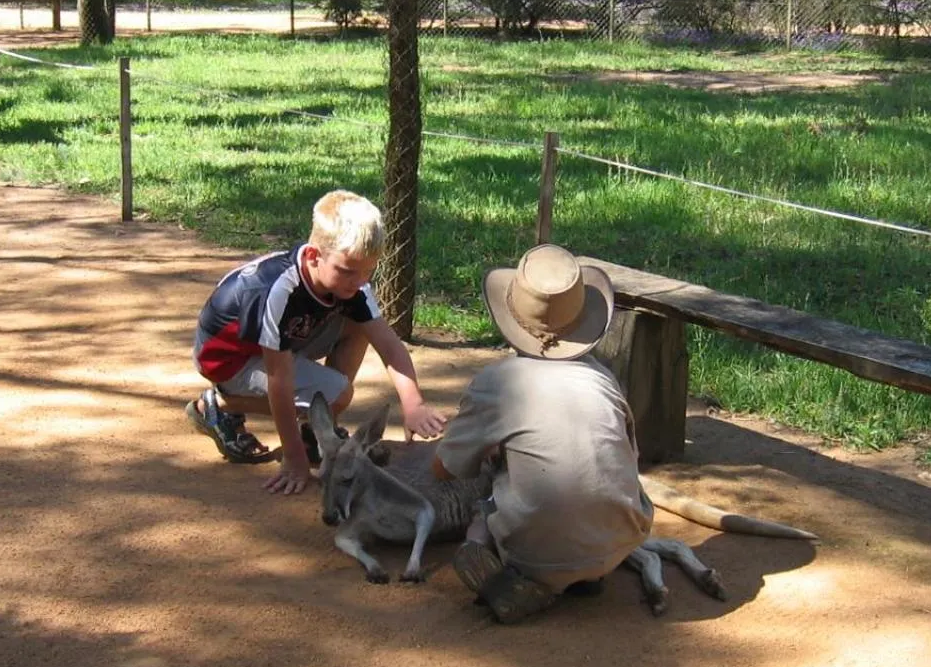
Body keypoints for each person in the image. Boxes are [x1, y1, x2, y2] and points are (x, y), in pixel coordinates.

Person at [432, 243, 655, 623]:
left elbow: (444, 470)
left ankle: (491, 556)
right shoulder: (603, 378)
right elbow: (630, 458)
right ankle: (586, 572)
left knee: (488, 489)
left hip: (533, 551)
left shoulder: (497, 383)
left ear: (512, 315)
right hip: (621, 539)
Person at [187, 189, 446, 495]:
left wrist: (413, 404)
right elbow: (278, 381)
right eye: (349, 271)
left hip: (280, 339)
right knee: (337, 393)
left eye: (368, 271)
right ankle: (216, 406)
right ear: (313, 255)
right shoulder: (279, 291)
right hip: (229, 359)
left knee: (359, 323)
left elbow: (387, 343)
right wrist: (294, 460)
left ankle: (315, 429)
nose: (361, 281)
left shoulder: (352, 283)